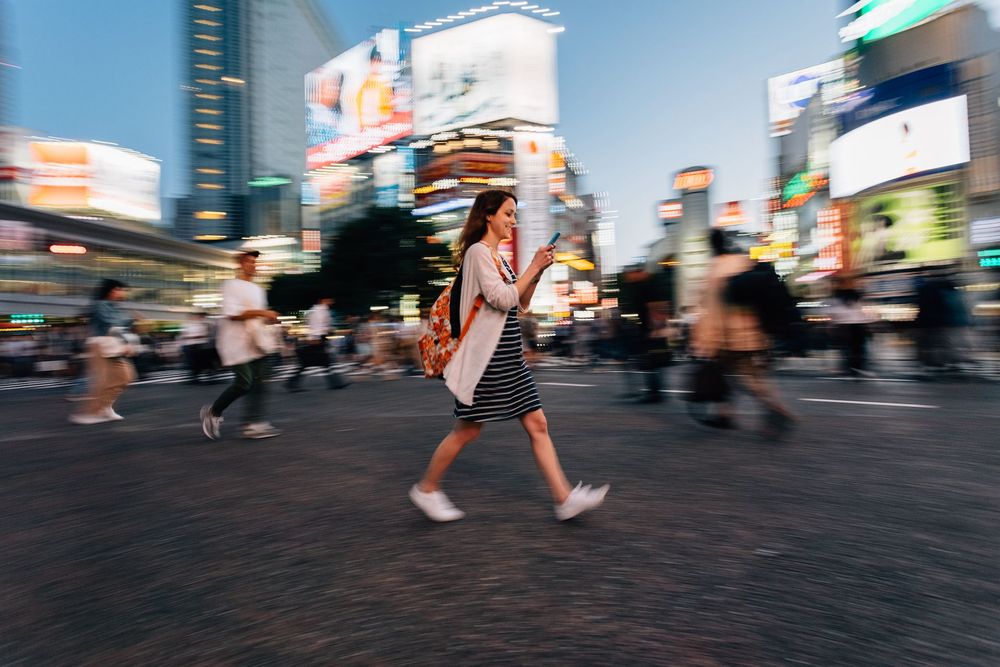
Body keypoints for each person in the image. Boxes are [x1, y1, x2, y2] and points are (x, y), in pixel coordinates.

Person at [409, 189, 609, 522]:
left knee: (537, 423)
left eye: (514, 215)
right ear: (488, 215)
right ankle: (427, 489)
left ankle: (564, 498)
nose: (513, 222)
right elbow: (502, 298)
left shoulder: (498, 258)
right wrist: (532, 265)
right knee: (467, 430)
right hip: (487, 362)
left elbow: (520, 302)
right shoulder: (477, 253)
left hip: (508, 358)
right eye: (508, 214)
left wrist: (539, 269)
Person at [691, 229, 795, 436]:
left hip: (731, 338)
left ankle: (776, 409)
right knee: (736, 376)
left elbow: (713, 311)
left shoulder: (715, 270)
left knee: (746, 379)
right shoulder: (744, 262)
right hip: (756, 334)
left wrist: (704, 341)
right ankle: (725, 414)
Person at [200, 250, 282, 441]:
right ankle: (213, 412)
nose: (253, 265)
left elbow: (257, 317)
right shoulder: (230, 285)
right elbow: (232, 314)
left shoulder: (259, 290)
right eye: (249, 261)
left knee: (261, 382)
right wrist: (263, 312)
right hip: (235, 343)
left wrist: (269, 320)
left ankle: (253, 424)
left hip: (257, 342)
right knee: (244, 383)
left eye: (255, 262)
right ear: (239, 264)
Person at [69, 279, 137, 425]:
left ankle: (105, 407)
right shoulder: (100, 305)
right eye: (122, 289)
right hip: (99, 345)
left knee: (125, 376)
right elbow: (112, 322)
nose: (124, 293)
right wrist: (131, 319)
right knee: (103, 381)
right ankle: (89, 413)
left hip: (112, 345)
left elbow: (118, 327)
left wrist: (126, 341)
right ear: (113, 290)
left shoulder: (113, 306)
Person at [285, 297, 348, 391]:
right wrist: (315, 339)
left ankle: (335, 383)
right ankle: (335, 383)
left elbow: (323, 325)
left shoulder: (321, 310)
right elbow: (315, 326)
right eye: (329, 299)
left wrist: (328, 331)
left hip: (319, 339)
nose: (332, 301)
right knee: (318, 362)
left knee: (319, 362)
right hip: (317, 340)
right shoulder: (317, 311)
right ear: (323, 299)